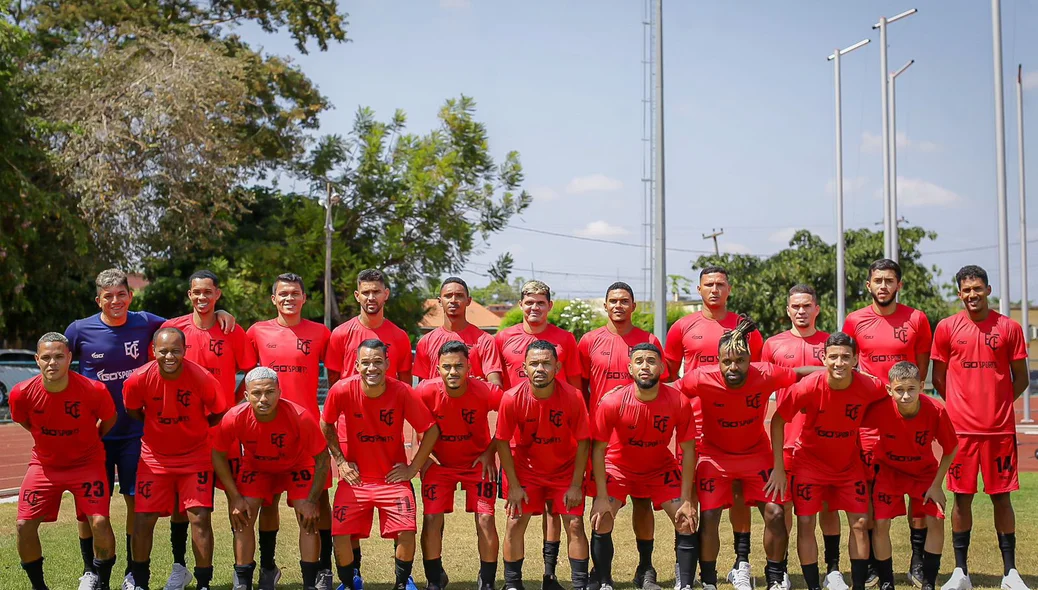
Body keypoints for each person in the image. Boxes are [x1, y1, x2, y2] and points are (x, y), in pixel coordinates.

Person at [66, 269, 234, 590]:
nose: (116, 301)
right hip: (96, 434)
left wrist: (217, 309)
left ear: (130, 296)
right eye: (108, 296)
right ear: (98, 299)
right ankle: (90, 570)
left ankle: (134, 575)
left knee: (136, 506)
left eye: (121, 295)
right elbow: (58, 359)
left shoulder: (147, 322)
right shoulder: (79, 329)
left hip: (134, 436)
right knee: (90, 506)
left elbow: (182, 323)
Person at [680, 317, 815, 590]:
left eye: (740, 360)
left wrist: (842, 371)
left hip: (756, 455)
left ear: (750, 359)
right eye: (727, 361)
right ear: (717, 360)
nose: (733, 366)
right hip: (714, 456)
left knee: (776, 513)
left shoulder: (766, 373)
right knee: (708, 516)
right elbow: (668, 390)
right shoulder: (701, 378)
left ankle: (775, 577)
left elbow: (801, 372)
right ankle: (709, 581)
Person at [664, 266, 763, 590]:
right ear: (700, 288)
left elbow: (756, 373)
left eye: (721, 284)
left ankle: (741, 563)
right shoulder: (682, 327)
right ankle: (685, 568)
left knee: (738, 494)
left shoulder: (745, 328)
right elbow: (668, 374)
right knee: (689, 497)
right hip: (693, 424)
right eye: (709, 284)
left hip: (734, 425)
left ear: (729, 289)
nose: (715, 290)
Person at [931, 265, 1030, 590]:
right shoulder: (946, 327)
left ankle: (1010, 573)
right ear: (960, 293)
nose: (972, 294)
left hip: (999, 432)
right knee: (961, 499)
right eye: (966, 290)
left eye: (977, 288)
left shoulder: (1010, 327)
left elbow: (1022, 378)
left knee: (1002, 499)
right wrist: (961, 407)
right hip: (961, 434)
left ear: (988, 290)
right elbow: (939, 378)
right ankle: (961, 573)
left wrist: (997, 405)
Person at [767, 333, 887, 590]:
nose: (839, 363)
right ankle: (813, 586)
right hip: (809, 465)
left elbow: (891, 405)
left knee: (861, 522)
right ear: (824, 358)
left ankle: (858, 586)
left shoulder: (871, 386)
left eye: (846, 357)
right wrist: (778, 467)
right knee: (807, 522)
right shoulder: (809, 386)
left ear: (856, 359)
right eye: (833, 357)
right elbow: (778, 421)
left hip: (848, 465)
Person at [161, 270, 257, 588]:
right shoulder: (173, 329)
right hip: (185, 433)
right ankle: (180, 567)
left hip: (225, 432)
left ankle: (240, 571)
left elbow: (252, 371)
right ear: (189, 295)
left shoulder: (232, 330)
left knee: (236, 500)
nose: (202, 298)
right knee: (182, 507)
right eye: (196, 292)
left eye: (208, 292)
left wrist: (233, 401)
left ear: (218, 294)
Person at [320, 339, 441, 590]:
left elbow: (430, 430)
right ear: (356, 365)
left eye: (377, 362)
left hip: (392, 479)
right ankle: (351, 582)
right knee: (340, 534)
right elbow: (326, 423)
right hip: (356, 480)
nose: (371, 368)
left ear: (387, 363)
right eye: (365, 362)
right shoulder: (342, 390)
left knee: (407, 531)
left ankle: (401, 582)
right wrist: (340, 461)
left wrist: (413, 468)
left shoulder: (403, 391)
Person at [843, 258, 933, 586]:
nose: (883, 286)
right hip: (868, 421)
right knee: (869, 492)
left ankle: (918, 561)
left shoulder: (917, 319)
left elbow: (920, 370)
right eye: (878, 280)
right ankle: (868, 564)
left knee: (916, 493)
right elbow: (850, 366)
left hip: (908, 419)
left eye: (889, 280)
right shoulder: (854, 320)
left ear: (899, 285)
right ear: (868, 285)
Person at [324, 269, 414, 590]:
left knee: (397, 503)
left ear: (386, 294)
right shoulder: (340, 335)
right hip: (351, 435)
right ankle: (355, 576)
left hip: (387, 437)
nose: (372, 297)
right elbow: (335, 385)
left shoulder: (400, 337)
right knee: (352, 513)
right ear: (357, 296)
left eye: (377, 291)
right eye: (366, 292)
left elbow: (404, 387)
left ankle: (405, 577)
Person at [123, 328, 229, 590]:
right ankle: (140, 581)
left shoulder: (201, 377)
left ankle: (203, 582)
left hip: (195, 458)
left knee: (199, 517)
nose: (169, 356)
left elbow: (218, 411)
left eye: (175, 350)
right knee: (144, 519)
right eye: (163, 351)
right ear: (153, 351)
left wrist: (195, 429)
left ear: (185, 350)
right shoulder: (138, 379)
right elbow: (133, 409)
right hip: (155, 459)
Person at [246, 272, 334, 589]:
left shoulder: (321, 333)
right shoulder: (256, 332)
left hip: (308, 433)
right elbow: (243, 373)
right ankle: (268, 567)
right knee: (268, 502)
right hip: (266, 431)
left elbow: (336, 379)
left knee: (318, 501)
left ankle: (324, 568)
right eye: (283, 293)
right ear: (273, 299)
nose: (289, 298)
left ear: (303, 298)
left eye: (295, 293)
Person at [13, 332, 119, 590]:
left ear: (69, 358)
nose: (53, 362)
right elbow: (24, 421)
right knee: (24, 525)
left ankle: (103, 583)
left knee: (100, 521)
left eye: (59, 356)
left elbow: (110, 419)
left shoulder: (94, 390)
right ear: (37, 360)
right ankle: (39, 587)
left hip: (87, 464)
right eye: (47, 357)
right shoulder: (21, 393)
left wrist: (90, 440)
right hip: (45, 466)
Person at [589, 343, 699, 590]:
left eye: (651, 361)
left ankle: (680, 581)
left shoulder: (678, 401)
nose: (645, 366)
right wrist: (601, 496)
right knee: (601, 517)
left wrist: (687, 498)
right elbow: (598, 449)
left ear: (662, 367)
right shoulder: (613, 402)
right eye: (639, 361)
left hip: (659, 468)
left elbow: (689, 449)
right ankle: (604, 581)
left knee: (686, 519)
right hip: (619, 467)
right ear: (630, 368)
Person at [578, 282, 667, 590]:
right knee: (601, 506)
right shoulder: (589, 341)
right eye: (613, 300)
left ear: (634, 307)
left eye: (624, 301)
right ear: (605, 305)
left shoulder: (648, 340)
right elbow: (580, 389)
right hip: (604, 440)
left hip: (641, 437)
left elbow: (657, 388)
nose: (618, 305)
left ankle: (645, 568)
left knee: (643, 504)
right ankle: (600, 573)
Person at [495, 280, 582, 590]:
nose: (534, 307)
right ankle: (513, 583)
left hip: (559, 442)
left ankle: (550, 575)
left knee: (558, 513)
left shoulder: (565, 340)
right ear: (521, 304)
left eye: (540, 302)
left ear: (550, 306)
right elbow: (497, 387)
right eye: (529, 302)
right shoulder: (503, 337)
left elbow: (575, 387)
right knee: (518, 517)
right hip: (521, 443)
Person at [212, 367, 332, 590]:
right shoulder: (234, 417)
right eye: (257, 393)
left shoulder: (299, 416)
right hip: (257, 466)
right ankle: (244, 582)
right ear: (247, 395)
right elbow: (217, 454)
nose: (263, 399)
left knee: (307, 520)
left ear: (279, 392)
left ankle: (309, 584)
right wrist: (235, 497)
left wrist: (312, 501)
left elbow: (322, 458)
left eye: (269, 392)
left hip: (297, 464)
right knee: (242, 517)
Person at [762, 285, 845, 590]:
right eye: (795, 306)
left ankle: (833, 569)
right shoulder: (772, 345)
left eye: (806, 306)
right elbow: (763, 387)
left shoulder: (830, 343)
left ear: (817, 309)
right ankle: (780, 571)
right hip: (784, 439)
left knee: (827, 507)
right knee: (781, 509)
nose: (801, 311)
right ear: (788, 310)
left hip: (822, 442)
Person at [862, 362, 958, 590]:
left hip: (923, 473)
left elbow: (951, 447)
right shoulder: (879, 408)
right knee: (880, 523)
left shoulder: (936, 410)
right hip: (888, 472)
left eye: (911, 389)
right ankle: (887, 581)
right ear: (889, 390)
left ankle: (928, 582)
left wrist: (937, 485)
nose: (905, 396)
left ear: (921, 386)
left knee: (935, 519)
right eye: (899, 390)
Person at [415, 341, 502, 590]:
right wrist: (424, 457)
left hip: (477, 465)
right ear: (437, 369)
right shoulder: (424, 391)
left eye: (459, 366)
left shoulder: (486, 390)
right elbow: (410, 419)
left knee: (486, 519)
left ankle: (487, 581)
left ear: (469, 367)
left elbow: (511, 415)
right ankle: (434, 579)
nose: (453, 372)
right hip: (440, 465)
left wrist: (489, 452)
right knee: (431, 519)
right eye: (447, 367)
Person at [414, 277, 503, 386]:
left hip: (473, 403)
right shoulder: (426, 342)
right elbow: (421, 387)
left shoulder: (485, 340)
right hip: (437, 403)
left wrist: (481, 386)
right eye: (448, 296)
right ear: (440, 301)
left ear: (468, 301)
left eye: (459, 295)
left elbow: (496, 384)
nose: (453, 300)